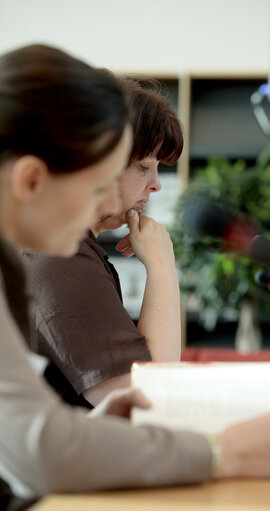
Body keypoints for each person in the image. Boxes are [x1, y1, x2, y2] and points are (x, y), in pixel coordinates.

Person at [0, 43, 270, 503]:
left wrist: (88, 433)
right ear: (32, 181)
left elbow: (21, 439)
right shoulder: (44, 258)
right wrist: (221, 453)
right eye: (98, 183)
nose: (103, 203)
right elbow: (38, 453)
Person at [24, 79, 183, 407]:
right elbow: (145, 397)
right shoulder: (60, 256)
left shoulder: (67, 246)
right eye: (143, 167)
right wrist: (163, 265)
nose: (156, 185)